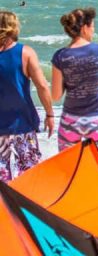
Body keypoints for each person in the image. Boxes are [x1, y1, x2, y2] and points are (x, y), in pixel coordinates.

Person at [51, 7, 98, 167]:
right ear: (84, 27)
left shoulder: (60, 56)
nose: (93, 29)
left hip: (71, 120)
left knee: (69, 169)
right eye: (92, 26)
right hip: (97, 119)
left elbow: (56, 95)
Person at [0, 11, 54, 182]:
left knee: (2, 174)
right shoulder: (25, 53)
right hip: (22, 123)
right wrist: (50, 114)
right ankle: (26, 207)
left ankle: (4, 207)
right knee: (29, 171)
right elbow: (42, 86)